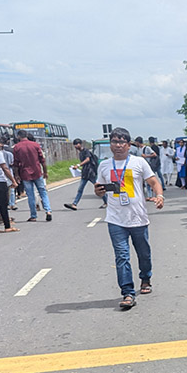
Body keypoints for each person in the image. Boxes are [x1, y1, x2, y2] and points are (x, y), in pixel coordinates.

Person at [94, 127, 164, 310]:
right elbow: (98, 188)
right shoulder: (104, 165)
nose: (118, 145)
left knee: (144, 253)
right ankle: (127, 292)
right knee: (122, 256)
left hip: (138, 218)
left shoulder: (139, 162)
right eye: (114, 142)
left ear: (128, 144)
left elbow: (154, 182)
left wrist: (159, 196)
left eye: (121, 142)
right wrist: (98, 191)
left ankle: (146, 277)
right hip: (115, 219)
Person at [14, 131, 52, 222]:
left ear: (18, 136)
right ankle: (48, 210)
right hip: (37, 172)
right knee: (42, 192)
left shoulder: (17, 147)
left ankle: (33, 215)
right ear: (26, 135)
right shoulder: (35, 145)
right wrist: (45, 172)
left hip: (25, 173)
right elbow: (42, 160)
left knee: (30, 195)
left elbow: (15, 163)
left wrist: (17, 175)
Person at [64, 139, 100, 210]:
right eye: (74, 145)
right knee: (80, 189)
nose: (75, 146)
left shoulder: (86, 151)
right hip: (85, 174)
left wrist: (78, 165)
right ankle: (74, 204)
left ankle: (107, 201)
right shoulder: (80, 153)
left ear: (80, 144)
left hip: (90, 173)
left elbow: (88, 159)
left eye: (77, 144)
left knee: (98, 187)